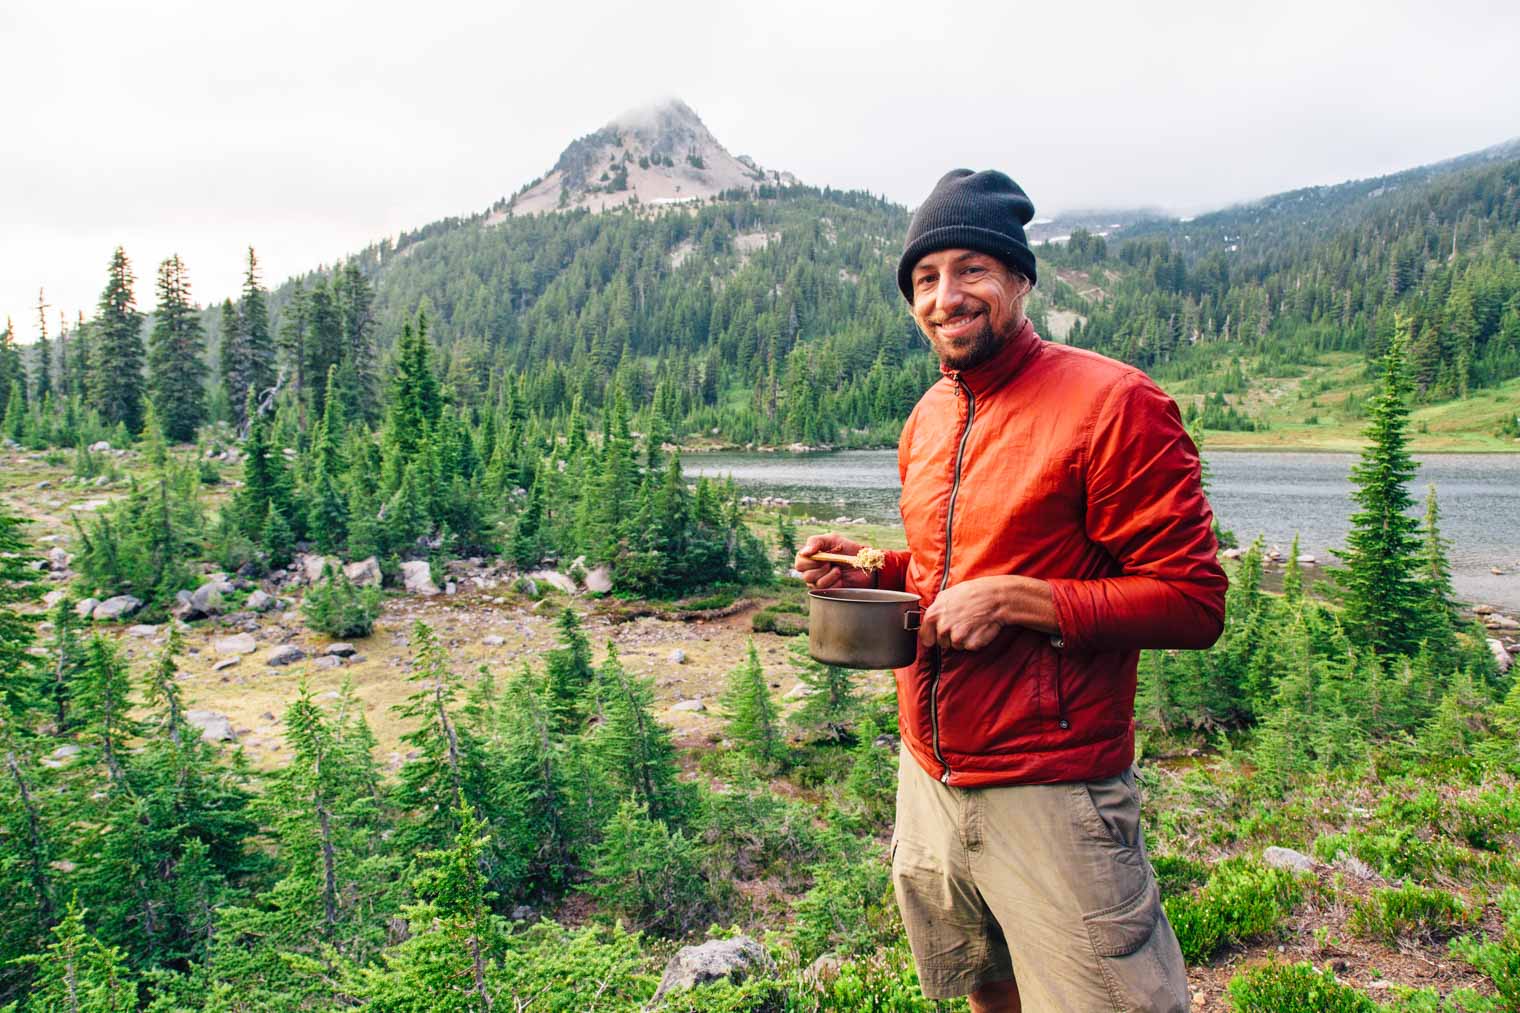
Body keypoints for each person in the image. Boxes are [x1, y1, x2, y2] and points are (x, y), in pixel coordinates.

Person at [796, 169, 1227, 1012]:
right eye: (925, 278)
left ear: (1021, 279)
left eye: (971, 270)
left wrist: (1023, 601)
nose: (945, 297)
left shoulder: (1114, 404)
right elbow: (942, 575)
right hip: (929, 778)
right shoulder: (929, 416)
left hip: (1053, 791)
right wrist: (874, 571)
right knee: (985, 991)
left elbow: (1194, 600)